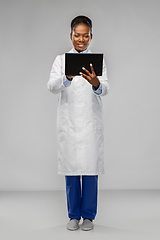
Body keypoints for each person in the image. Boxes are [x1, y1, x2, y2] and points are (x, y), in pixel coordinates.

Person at [47, 15, 109, 231]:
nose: (81, 39)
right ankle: (73, 215)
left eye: (85, 36)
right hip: (70, 124)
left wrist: (96, 83)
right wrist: (67, 77)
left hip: (91, 124)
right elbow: (51, 86)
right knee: (72, 171)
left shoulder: (98, 60)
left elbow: (106, 89)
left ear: (91, 37)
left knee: (90, 170)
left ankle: (89, 217)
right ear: (71, 36)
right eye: (77, 35)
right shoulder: (60, 60)